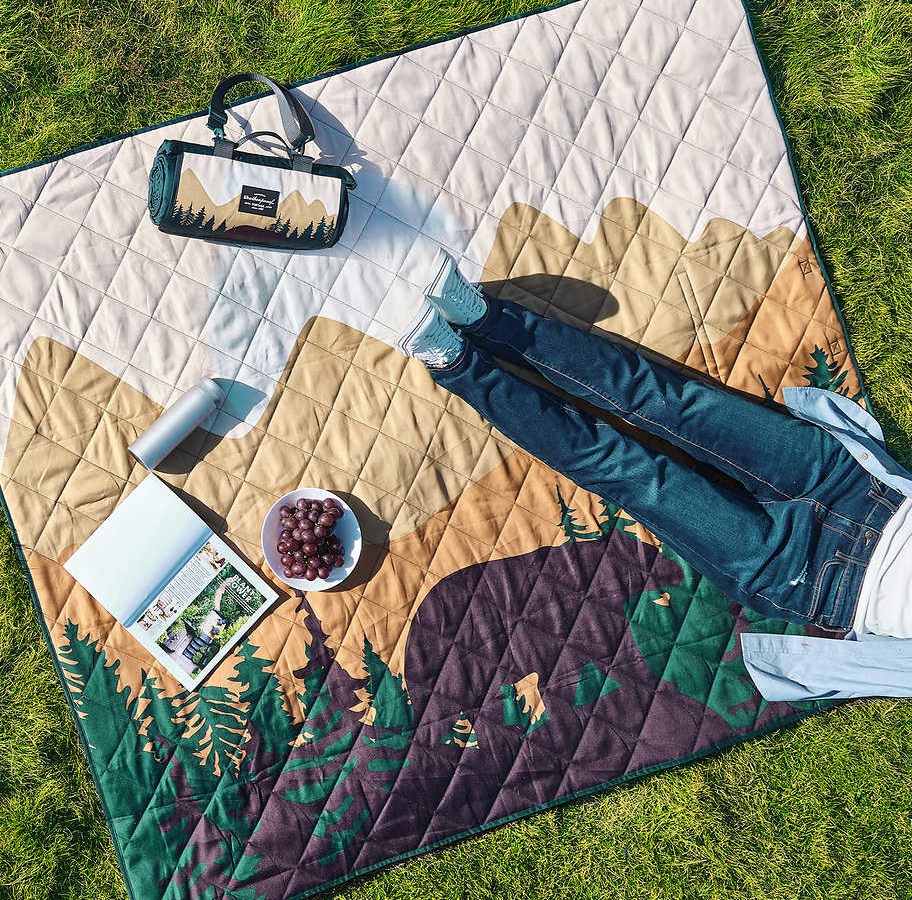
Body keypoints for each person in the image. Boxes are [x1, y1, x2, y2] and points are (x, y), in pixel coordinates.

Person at [396, 250, 912, 701]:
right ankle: (487, 319)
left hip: (816, 580)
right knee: (669, 400)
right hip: (858, 486)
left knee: (628, 470)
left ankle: (458, 363)